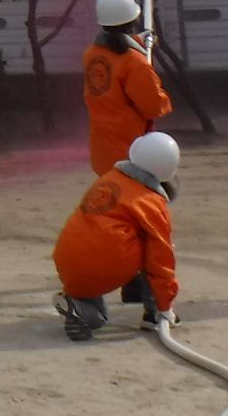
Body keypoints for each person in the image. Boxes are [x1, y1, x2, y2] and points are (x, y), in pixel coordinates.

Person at [53, 132, 182, 341]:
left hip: (68, 260)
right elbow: (161, 261)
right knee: (152, 246)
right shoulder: (151, 203)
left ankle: (77, 307)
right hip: (105, 263)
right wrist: (165, 307)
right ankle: (153, 315)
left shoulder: (109, 179)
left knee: (96, 317)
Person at [83, 0, 171, 176]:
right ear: (133, 20)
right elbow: (153, 107)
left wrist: (138, 43)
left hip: (102, 151)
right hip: (130, 151)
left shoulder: (91, 54)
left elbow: (115, 51)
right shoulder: (134, 61)